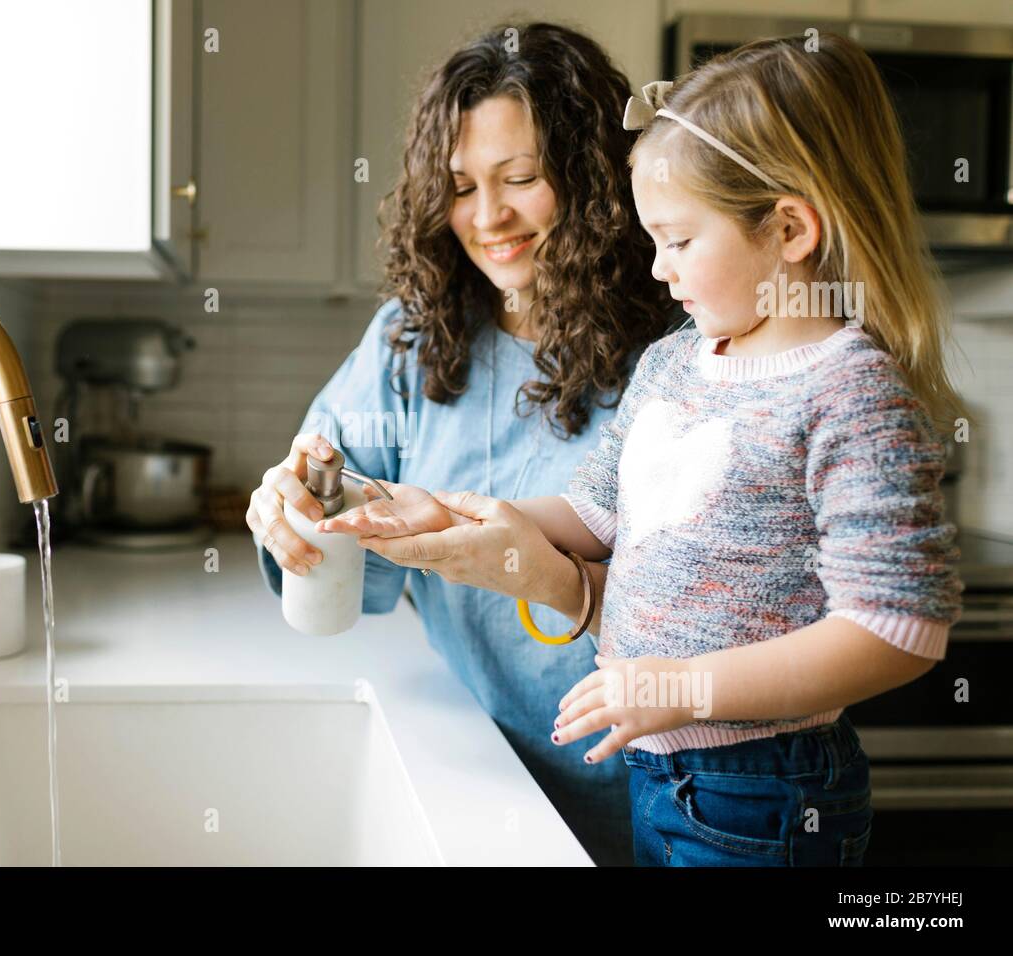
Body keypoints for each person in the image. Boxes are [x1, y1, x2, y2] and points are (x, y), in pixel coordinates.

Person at [326, 33, 966, 866]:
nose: (658, 270)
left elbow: (897, 626)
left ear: (789, 230)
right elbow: (593, 516)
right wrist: (447, 510)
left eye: (679, 240)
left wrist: (680, 687)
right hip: (660, 774)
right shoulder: (676, 363)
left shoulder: (848, 393)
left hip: (766, 789)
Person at [246, 22, 673, 865]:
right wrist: (299, 513)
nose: (489, 218)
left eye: (520, 178)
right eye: (461, 186)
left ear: (594, 179)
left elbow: (726, 610)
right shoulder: (413, 341)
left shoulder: (677, 348)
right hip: (475, 779)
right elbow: (351, 569)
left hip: (656, 802)